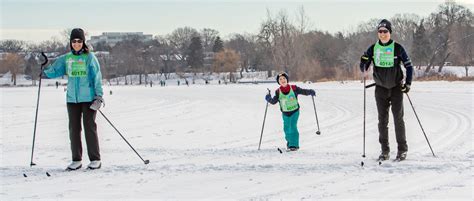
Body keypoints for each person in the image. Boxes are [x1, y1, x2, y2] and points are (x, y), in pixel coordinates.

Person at [42, 28, 104, 170]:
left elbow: (97, 77)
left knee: (89, 128)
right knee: (73, 129)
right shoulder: (66, 58)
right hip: (72, 99)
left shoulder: (90, 58)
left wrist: (98, 97)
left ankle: (95, 159)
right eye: (74, 41)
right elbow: (55, 70)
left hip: (88, 98)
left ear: (83, 42)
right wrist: (44, 72)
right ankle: (76, 159)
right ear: (71, 42)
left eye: (79, 41)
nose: (76, 44)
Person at [360, 19, 413, 161]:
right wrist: (364, 64)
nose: (382, 34)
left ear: (390, 32)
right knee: (382, 121)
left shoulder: (398, 48)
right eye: (380, 31)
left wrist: (407, 84)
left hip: (396, 88)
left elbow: (409, 66)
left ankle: (402, 150)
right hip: (380, 89)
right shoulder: (373, 48)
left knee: (398, 119)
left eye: (385, 31)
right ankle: (385, 151)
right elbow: (363, 64)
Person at [265, 72, 316, 151]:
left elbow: (303, 91)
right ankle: (289, 144)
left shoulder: (294, 88)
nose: (282, 80)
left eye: (284, 78)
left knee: (292, 126)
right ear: (278, 82)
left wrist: (310, 91)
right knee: (286, 128)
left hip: (294, 111)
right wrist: (268, 98)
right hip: (285, 113)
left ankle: (294, 145)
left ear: (287, 80)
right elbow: (274, 101)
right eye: (280, 79)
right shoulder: (278, 92)